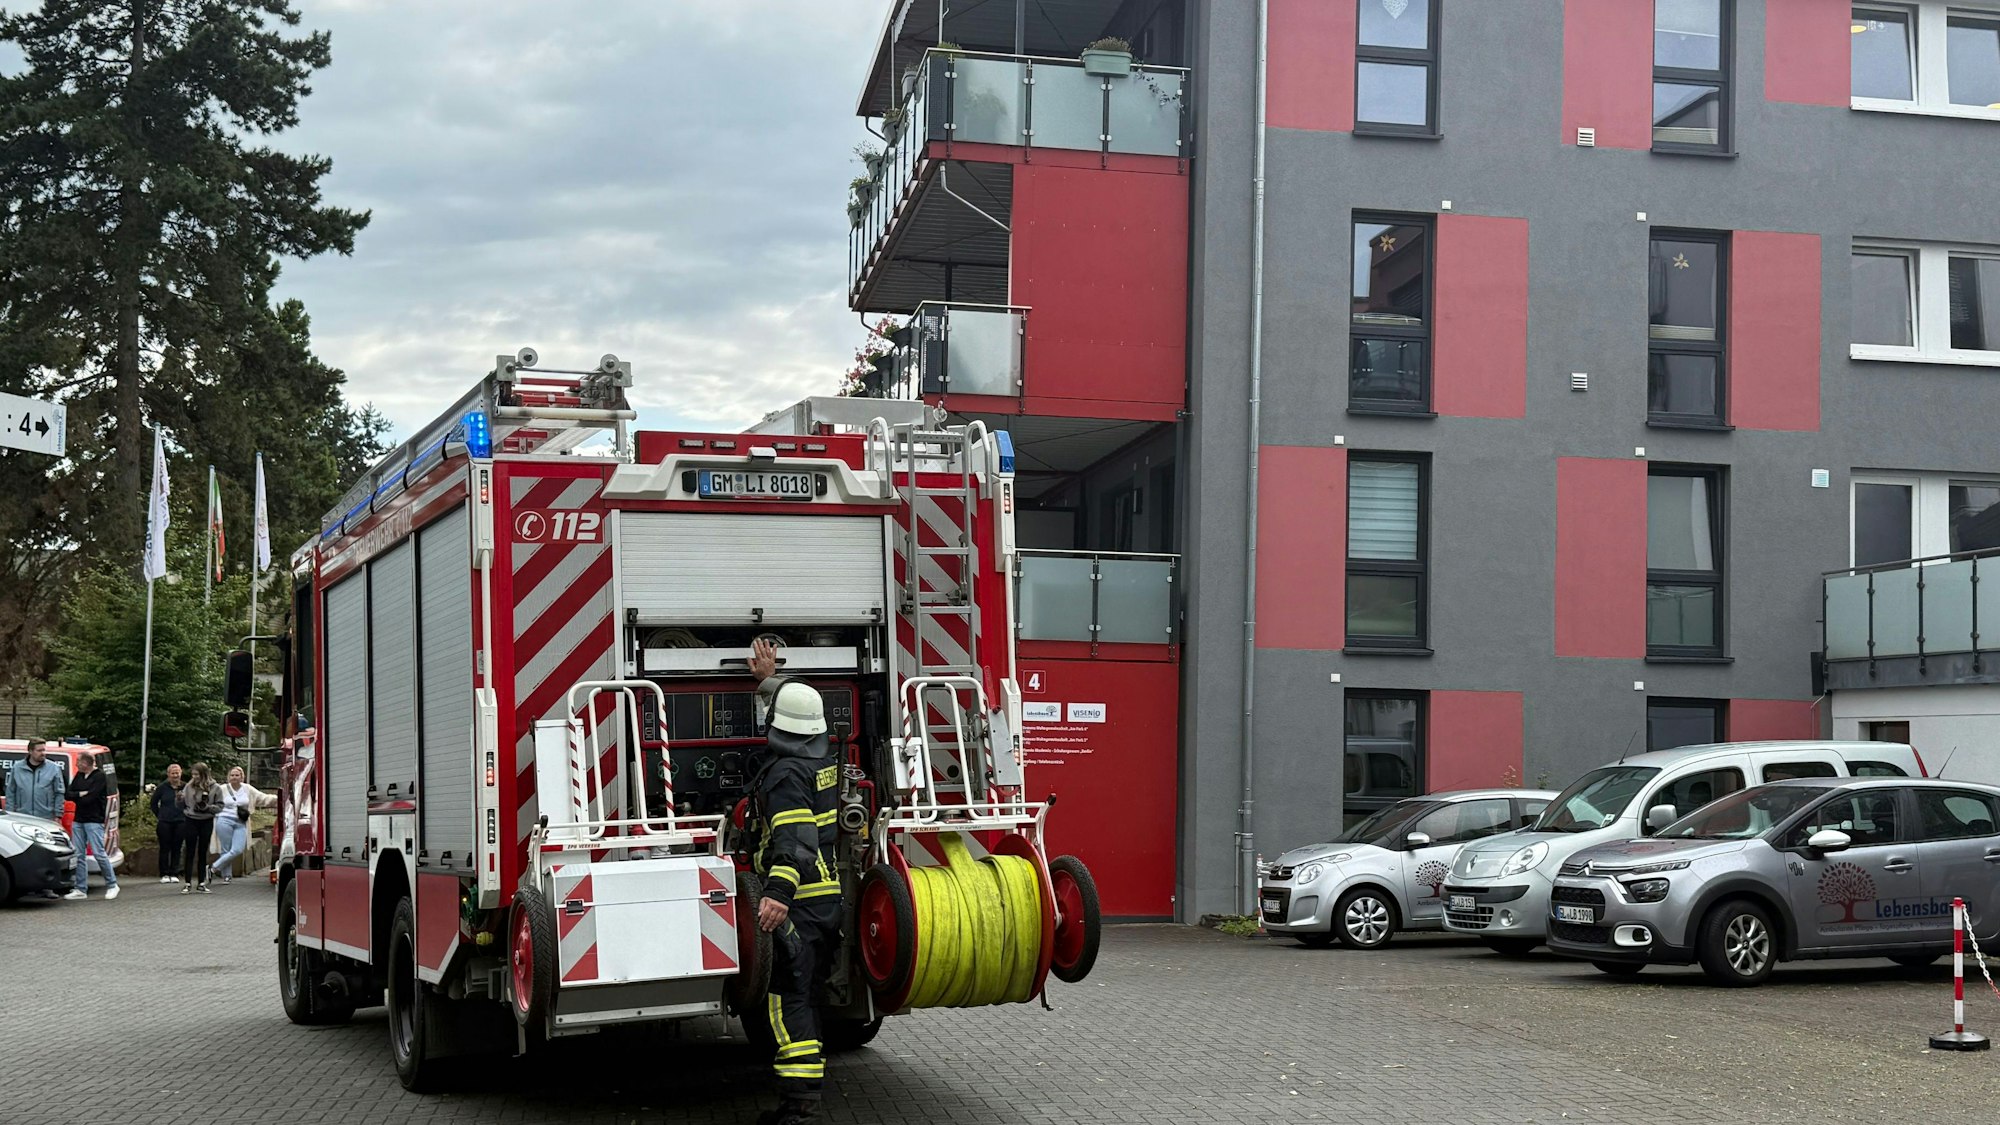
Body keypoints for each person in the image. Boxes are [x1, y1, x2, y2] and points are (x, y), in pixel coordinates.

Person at [748, 639, 843, 1125]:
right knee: (809, 997)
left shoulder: (784, 773)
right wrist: (768, 684)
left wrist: (777, 895)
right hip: (827, 901)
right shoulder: (818, 763)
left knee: (789, 1002)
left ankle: (800, 1110)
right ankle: (798, 1101)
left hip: (799, 903)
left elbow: (794, 838)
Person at [5, 742, 67, 898]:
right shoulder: (17, 768)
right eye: (39, 750)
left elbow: (59, 792)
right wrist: (11, 814)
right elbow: (11, 792)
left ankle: (47, 887)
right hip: (22, 816)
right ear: (30, 751)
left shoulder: (53, 768)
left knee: (45, 852)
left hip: (44, 816)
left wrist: (57, 814)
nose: (43, 753)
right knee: (23, 852)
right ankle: (25, 886)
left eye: (44, 749)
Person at [64, 751, 118, 901]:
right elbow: (68, 794)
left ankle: (112, 884)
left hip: (94, 820)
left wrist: (80, 796)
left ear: (86, 763)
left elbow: (92, 797)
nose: (76, 765)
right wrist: (81, 794)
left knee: (99, 852)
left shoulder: (99, 776)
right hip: (79, 819)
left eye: (78, 762)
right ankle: (80, 888)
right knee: (79, 854)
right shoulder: (80, 776)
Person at [208, 766, 274, 885]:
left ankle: (213, 868)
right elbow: (210, 801)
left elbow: (263, 798)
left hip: (241, 822)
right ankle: (227, 876)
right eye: (232, 775)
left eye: (237, 775)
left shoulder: (247, 789)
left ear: (242, 777)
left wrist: (280, 798)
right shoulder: (221, 789)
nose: (234, 777)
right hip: (224, 820)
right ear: (228, 777)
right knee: (225, 849)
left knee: (237, 849)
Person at [178, 763, 224, 894]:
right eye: (193, 774)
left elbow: (220, 806)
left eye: (197, 774)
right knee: (189, 851)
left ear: (204, 774)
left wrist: (207, 807)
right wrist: (179, 800)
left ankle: (201, 883)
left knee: (203, 852)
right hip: (190, 820)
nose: (194, 777)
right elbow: (182, 806)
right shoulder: (189, 786)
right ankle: (187, 883)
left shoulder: (215, 788)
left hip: (206, 821)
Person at [149, 764, 189, 884]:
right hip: (165, 821)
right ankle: (164, 873)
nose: (175, 775)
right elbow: (153, 803)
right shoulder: (162, 787)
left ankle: (174, 872)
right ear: (168, 774)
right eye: (173, 773)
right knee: (165, 848)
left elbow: (190, 802)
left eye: (177, 773)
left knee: (177, 848)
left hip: (181, 821)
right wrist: (160, 815)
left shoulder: (186, 787)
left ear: (181, 773)